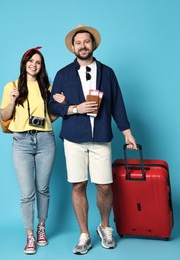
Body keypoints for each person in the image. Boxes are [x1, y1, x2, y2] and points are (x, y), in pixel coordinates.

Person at [49, 24, 137, 255]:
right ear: (72, 47)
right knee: (78, 184)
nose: (82, 46)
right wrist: (74, 108)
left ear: (93, 44)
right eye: (78, 42)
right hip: (73, 137)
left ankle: (105, 227)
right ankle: (84, 234)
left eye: (86, 41)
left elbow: (117, 103)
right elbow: (53, 105)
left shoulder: (107, 73)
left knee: (105, 186)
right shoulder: (62, 74)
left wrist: (127, 133)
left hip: (100, 136)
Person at [0, 46, 64, 255]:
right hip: (22, 141)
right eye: (31, 61)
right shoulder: (11, 86)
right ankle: (29, 236)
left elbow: (51, 117)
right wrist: (12, 99)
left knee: (43, 189)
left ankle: (41, 228)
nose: (34, 65)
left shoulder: (48, 87)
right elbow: (4, 115)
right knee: (27, 193)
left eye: (38, 62)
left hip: (45, 140)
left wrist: (62, 106)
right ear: (24, 62)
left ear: (41, 66)